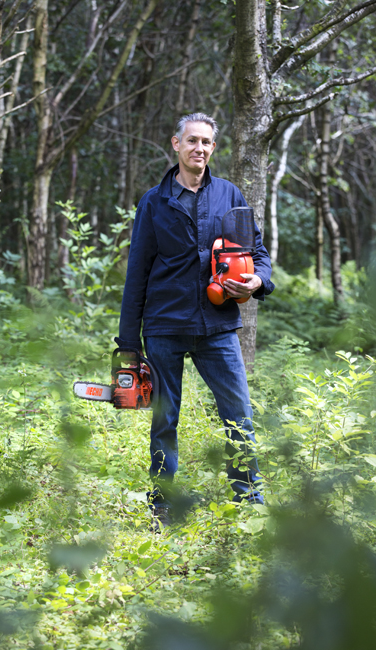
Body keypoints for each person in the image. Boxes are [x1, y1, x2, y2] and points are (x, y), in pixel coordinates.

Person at [115, 112, 274, 526]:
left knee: (239, 414)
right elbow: (137, 273)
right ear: (176, 144)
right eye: (191, 141)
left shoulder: (229, 195)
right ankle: (162, 505)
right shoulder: (154, 201)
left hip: (217, 326)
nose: (198, 148)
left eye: (206, 142)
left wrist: (258, 280)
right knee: (164, 420)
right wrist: (128, 343)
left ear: (213, 148)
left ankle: (249, 500)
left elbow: (257, 253)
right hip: (165, 325)